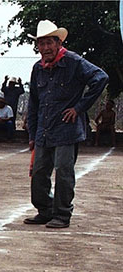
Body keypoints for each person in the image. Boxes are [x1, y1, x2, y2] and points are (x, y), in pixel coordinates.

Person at [23, 20, 108, 229]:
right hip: (44, 129)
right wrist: (32, 134)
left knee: (63, 171)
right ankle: (45, 210)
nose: (45, 48)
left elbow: (101, 78)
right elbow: (34, 102)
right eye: (41, 44)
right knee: (40, 171)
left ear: (59, 42)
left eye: (49, 43)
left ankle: (62, 214)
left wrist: (79, 108)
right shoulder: (38, 68)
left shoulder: (74, 62)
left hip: (66, 129)